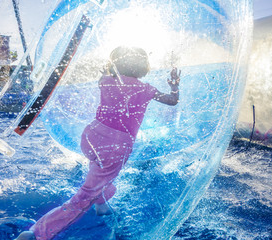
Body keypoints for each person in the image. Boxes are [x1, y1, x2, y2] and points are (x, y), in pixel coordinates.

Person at [16, 46, 181, 240]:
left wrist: (109, 69)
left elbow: (105, 75)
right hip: (115, 145)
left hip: (92, 136)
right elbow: (172, 101)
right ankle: (35, 234)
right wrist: (174, 85)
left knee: (100, 175)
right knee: (84, 197)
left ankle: (101, 204)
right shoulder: (146, 89)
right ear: (144, 66)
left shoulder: (106, 81)